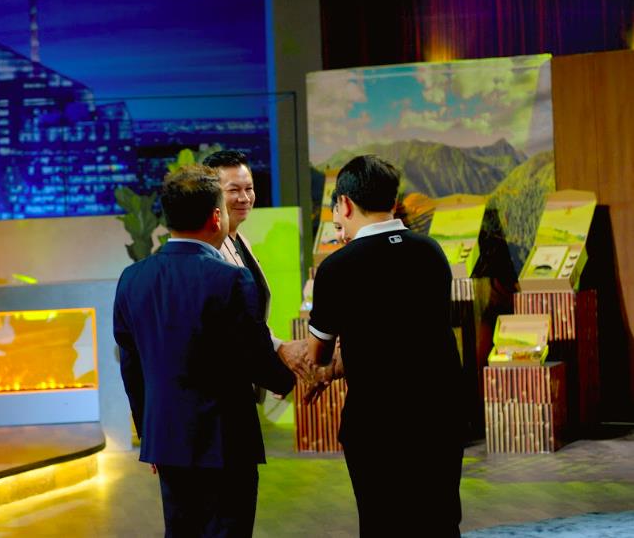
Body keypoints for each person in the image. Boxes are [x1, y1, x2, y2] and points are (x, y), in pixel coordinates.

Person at [113, 164, 296, 537]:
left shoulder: (132, 279)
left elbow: (132, 370)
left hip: (167, 441)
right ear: (216, 217)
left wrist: (150, 436)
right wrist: (290, 378)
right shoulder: (231, 279)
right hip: (226, 442)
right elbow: (255, 356)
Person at [305, 155, 465, 537]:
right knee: (441, 522)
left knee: (383, 523)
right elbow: (414, 333)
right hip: (440, 417)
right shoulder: (431, 252)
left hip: (377, 424)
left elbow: (317, 355)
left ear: (344, 204)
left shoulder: (337, 268)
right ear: (393, 200)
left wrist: (332, 363)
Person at [203, 150, 309, 387]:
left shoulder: (242, 240)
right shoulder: (210, 250)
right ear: (212, 194)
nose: (244, 198)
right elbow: (234, 322)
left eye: (248, 189)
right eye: (233, 190)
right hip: (223, 381)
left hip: (247, 377)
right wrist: (279, 351)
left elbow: (254, 316)